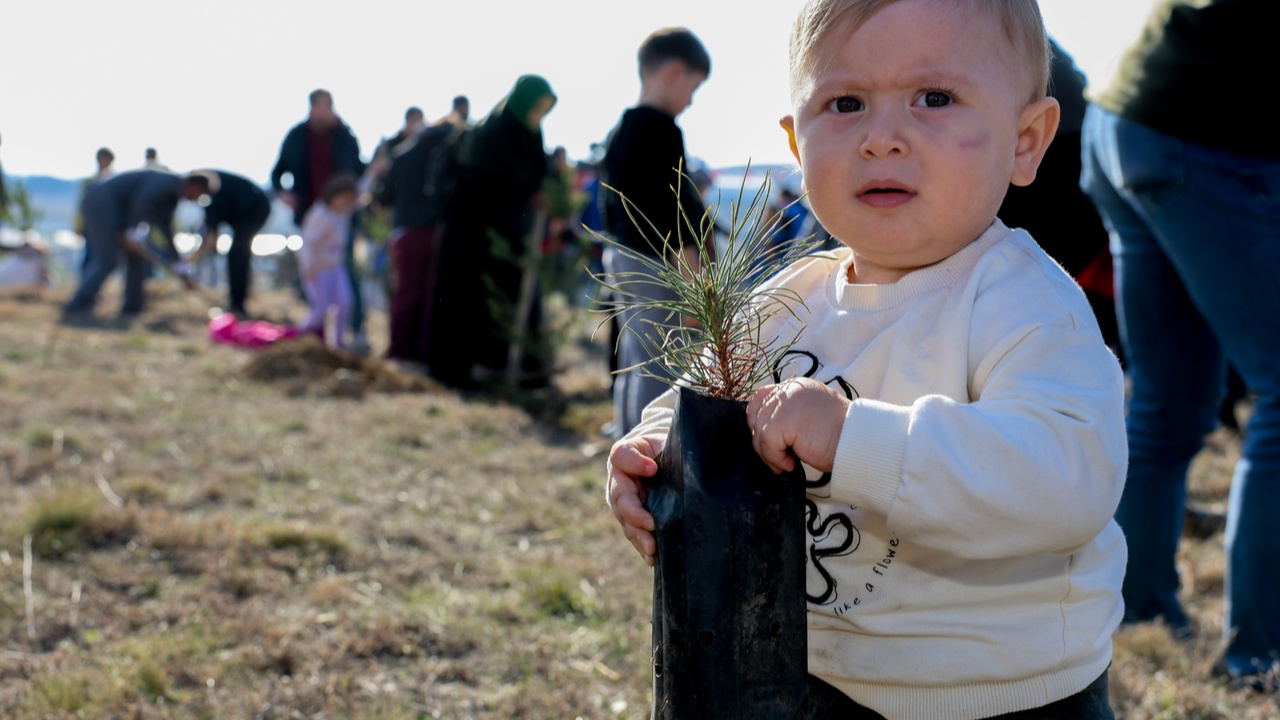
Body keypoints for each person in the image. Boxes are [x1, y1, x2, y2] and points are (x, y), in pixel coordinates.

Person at [607, 1, 1127, 717]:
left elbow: (1068, 478)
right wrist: (647, 455)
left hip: (1005, 694)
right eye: (845, 103)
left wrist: (855, 440)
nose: (883, 138)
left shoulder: (1021, 300)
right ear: (797, 144)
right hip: (815, 680)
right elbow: (694, 406)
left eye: (934, 98)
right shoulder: (792, 297)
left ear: (1026, 139)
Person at [1079, 0, 1280, 690]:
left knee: (1167, 403)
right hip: (1204, 132)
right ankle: (1262, 654)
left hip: (1128, 117)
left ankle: (1141, 616)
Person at [600, 26, 711, 435]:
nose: (690, 100)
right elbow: (674, 210)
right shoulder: (662, 130)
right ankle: (653, 456)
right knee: (663, 364)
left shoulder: (620, 131)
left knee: (634, 359)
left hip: (622, 256)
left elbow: (609, 204)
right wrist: (692, 278)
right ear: (675, 72)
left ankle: (627, 439)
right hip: (657, 262)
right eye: (693, 88)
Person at [428, 75, 557, 389]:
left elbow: (534, 176)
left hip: (507, 232)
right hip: (472, 230)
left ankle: (517, 369)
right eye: (536, 107)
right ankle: (459, 370)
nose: (538, 115)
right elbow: (490, 181)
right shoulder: (493, 134)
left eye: (545, 109)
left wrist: (540, 193)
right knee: (467, 297)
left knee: (514, 294)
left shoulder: (530, 135)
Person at [271, 89, 366, 346]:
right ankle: (314, 336)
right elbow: (278, 170)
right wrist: (283, 192)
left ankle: (351, 332)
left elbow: (359, 169)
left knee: (346, 286)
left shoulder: (344, 135)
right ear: (313, 107)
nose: (330, 111)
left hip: (341, 216)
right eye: (325, 106)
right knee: (320, 295)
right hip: (312, 214)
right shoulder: (297, 136)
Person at [375, 110, 466, 366]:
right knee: (432, 295)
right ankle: (427, 352)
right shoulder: (453, 153)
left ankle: (400, 350)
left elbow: (384, 198)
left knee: (404, 292)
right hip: (438, 232)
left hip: (405, 232)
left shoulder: (404, 154)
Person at [63, 170, 209, 318]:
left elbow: (165, 228)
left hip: (118, 212)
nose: (197, 199)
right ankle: (78, 304)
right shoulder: (168, 183)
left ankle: (133, 308)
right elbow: (143, 199)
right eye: (200, 194)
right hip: (102, 205)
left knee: (136, 257)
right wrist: (131, 232)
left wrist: (179, 266)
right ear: (194, 185)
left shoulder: (172, 197)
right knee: (108, 260)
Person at [187, 170, 272, 316]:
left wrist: (191, 261)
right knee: (237, 253)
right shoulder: (209, 196)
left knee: (238, 254)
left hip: (255, 209)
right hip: (243, 213)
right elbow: (211, 238)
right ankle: (236, 303)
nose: (189, 198)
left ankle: (237, 305)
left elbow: (210, 238)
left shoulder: (215, 197)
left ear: (196, 185)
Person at [296, 174, 359, 349]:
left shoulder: (343, 213)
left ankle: (338, 342)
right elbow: (308, 244)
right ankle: (299, 338)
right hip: (317, 268)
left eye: (350, 200)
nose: (346, 203)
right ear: (333, 195)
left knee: (345, 302)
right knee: (321, 309)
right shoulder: (321, 215)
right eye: (343, 199)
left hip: (336, 267)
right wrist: (308, 267)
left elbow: (364, 191)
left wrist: (374, 174)